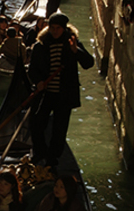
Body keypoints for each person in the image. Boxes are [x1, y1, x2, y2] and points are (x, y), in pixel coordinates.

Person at [27, 12, 94, 169]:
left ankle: (52, 158)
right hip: (45, 93)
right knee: (36, 124)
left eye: (58, 28)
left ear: (64, 29)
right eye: (52, 28)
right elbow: (32, 71)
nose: (55, 31)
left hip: (64, 95)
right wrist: (38, 82)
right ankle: (40, 152)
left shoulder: (72, 44)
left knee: (59, 129)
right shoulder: (40, 45)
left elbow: (89, 63)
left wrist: (76, 51)